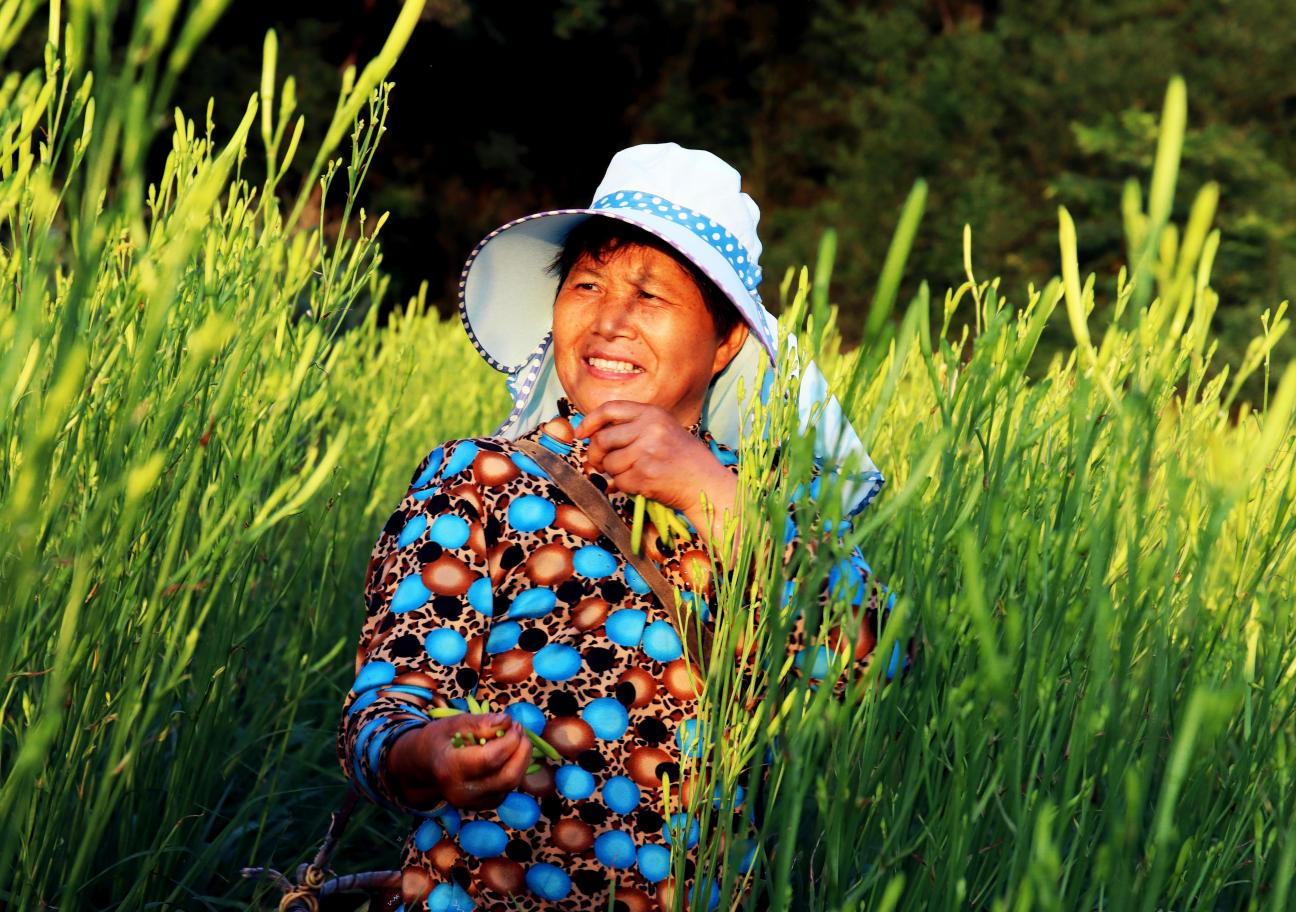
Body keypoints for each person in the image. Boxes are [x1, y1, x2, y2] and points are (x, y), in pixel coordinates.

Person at [335, 143, 902, 912]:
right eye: (587, 285)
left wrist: (708, 495)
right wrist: (426, 753)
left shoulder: (770, 507)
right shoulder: (479, 478)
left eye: (651, 296)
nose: (608, 321)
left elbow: (869, 662)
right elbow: (386, 702)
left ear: (727, 337)